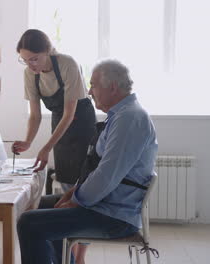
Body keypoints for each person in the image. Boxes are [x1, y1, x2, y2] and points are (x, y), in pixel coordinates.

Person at [17, 59, 158, 264]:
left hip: (114, 216)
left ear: (112, 87)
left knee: (29, 223)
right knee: (38, 206)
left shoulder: (130, 119)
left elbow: (106, 176)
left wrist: (75, 201)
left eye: (93, 85)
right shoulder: (120, 115)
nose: (90, 92)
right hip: (106, 205)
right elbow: (96, 168)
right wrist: (71, 193)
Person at [13, 29, 96, 188]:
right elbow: (35, 115)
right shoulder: (30, 74)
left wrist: (46, 148)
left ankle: (80, 209)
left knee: (83, 177)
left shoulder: (68, 64)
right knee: (65, 175)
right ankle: (67, 210)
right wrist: (28, 142)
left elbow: (69, 113)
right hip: (60, 121)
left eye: (34, 59)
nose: (31, 65)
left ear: (47, 51)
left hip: (81, 122)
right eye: (25, 60)